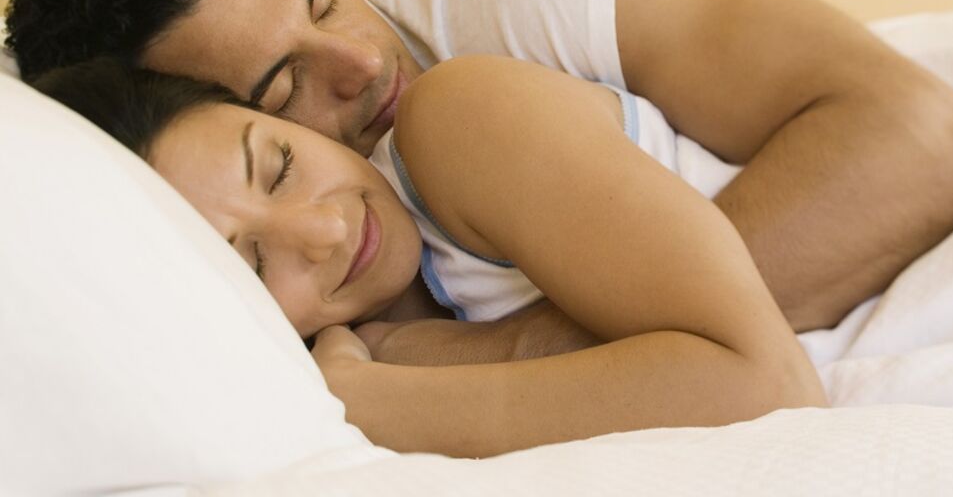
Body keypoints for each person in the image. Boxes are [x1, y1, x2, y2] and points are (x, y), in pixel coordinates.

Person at [4, 0, 953, 361]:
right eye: (281, 92)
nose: (364, 60)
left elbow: (932, 140)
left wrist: (507, 357)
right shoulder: (311, 255)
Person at [33, 55, 829, 457]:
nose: (325, 231)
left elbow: (768, 388)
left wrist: (377, 400)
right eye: (253, 267)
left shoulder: (456, 121)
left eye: (280, 166)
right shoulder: (362, 341)